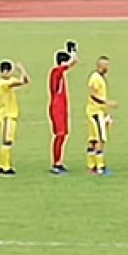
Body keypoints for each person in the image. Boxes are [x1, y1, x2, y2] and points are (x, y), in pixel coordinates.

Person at [0, 60, 31, 175]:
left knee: (7, 141)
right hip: (6, 115)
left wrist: (22, 72)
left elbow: (25, 81)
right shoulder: (3, 83)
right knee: (7, 141)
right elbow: (20, 81)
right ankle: (5, 167)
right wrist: (20, 70)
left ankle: (2, 165)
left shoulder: (9, 81)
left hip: (10, 115)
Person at [49, 45, 77, 175]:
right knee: (59, 134)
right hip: (56, 107)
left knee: (63, 134)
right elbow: (73, 62)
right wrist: (73, 51)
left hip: (61, 107)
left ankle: (58, 161)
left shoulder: (59, 73)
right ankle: (55, 163)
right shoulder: (56, 71)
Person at [84, 55, 112, 175]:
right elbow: (93, 94)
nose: (107, 68)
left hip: (95, 111)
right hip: (95, 112)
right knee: (100, 139)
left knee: (93, 139)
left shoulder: (97, 77)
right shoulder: (95, 78)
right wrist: (106, 103)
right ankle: (100, 167)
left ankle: (91, 166)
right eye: (106, 65)